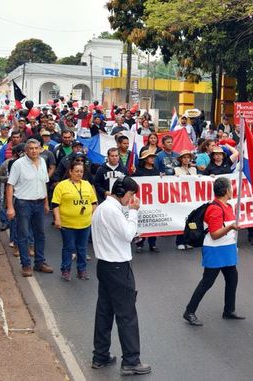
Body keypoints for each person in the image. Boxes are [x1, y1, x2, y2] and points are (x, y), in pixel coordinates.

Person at [91, 176, 151, 375]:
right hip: (118, 267)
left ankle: (100, 355)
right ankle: (131, 360)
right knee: (127, 315)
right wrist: (133, 214)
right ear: (124, 193)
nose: (132, 199)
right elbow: (127, 234)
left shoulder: (102, 208)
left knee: (104, 312)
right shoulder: (113, 211)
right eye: (132, 195)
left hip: (105, 266)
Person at [183, 177, 243, 326]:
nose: (232, 191)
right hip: (216, 251)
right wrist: (230, 227)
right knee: (207, 282)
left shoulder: (228, 206)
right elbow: (215, 235)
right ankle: (189, 311)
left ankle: (229, 310)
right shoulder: (215, 209)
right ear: (226, 191)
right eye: (230, 188)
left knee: (232, 278)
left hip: (226, 250)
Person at [6, 139, 52, 277]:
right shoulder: (18, 164)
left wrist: (46, 202)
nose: (33, 150)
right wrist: (10, 207)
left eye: (36, 148)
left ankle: (39, 262)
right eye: (30, 148)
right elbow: (10, 186)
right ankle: (26, 265)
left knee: (40, 234)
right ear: (26, 150)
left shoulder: (43, 162)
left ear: (40, 149)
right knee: (23, 235)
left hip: (39, 202)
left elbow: (44, 183)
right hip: (23, 203)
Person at [52, 162, 98, 281]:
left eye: (81, 171)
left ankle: (81, 270)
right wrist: (57, 219)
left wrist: (94, 216)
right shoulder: (62, 186)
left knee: (82, 248)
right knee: (68, 247)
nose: (79, 174)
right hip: (68, 224)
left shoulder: (87, 185)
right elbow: (55, 204)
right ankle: (66, 270)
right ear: (70, 172)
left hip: (84, 223)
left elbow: (93, 202)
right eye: (76, 171)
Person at [133, 151, 160, 253]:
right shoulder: (139, 171)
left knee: (152, 222)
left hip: (153, 201)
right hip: (142, 201)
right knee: (141, 222)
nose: (152, 159)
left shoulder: (156, 171)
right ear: (145, 159)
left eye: (153, 157)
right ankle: (139, 244)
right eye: (150, 157)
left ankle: (152, 244)